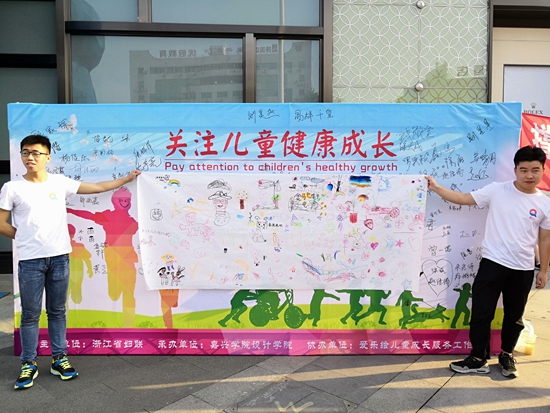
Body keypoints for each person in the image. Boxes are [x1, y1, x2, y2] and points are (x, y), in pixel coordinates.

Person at [0, 134, 140, 390]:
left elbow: (96, 188)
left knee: (57, 311)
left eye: (36, 153)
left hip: (60, 258)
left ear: (47, 157)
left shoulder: (59, 182)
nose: (30, 157)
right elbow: (1, 223)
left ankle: (59, 358)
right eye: (25, 152)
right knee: (30, 314)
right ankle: (28, 363)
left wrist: (126, 179)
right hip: (30, 261)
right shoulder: (12, 188)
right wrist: (25, 237)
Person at [426, 145, 550, 379]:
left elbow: (545, 239)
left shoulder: (544, 203)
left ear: (543, 170)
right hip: (492, 263)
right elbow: (464, 199)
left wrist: (543, 270)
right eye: (524, 170)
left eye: (535, 170)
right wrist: (436, 187)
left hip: (523, 268)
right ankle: (478, 357)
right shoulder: (497, 190)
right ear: (515, 170)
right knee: (482, 312)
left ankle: (506, 354)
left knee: (514, 316)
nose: (529, 175)